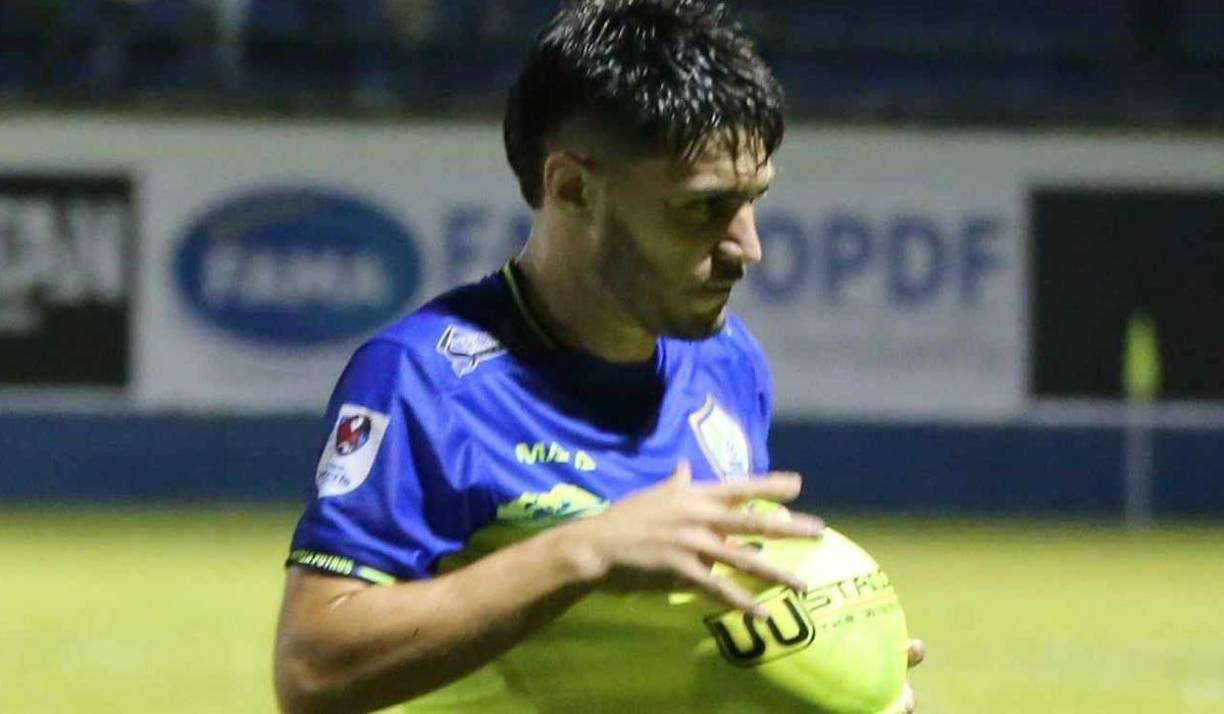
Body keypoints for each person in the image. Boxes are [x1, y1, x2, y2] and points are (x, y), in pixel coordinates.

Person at [273, 1, 924, 712]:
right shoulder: (426, 381)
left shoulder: (728, 362)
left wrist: (828, 669)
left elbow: (688, 641)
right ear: (572, 188)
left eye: (753, 201)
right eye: (704, 209)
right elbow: (312, 670)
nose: (748, 249)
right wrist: (584, 551)